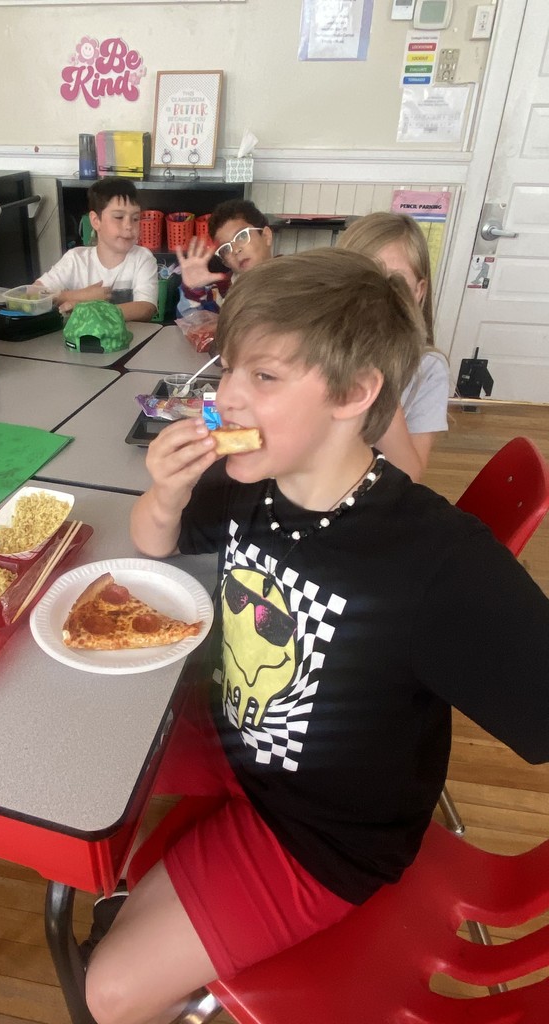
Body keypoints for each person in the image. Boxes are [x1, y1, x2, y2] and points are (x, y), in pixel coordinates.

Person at [84, 250, 549, 1024]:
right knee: (85, 759)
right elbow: (153, 545)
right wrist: (163, 493)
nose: (225, 399)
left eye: (263, 378)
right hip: (233, 733)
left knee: (111, 992)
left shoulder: (436, 564)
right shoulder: (251, 485)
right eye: (229, 369)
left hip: (323, 832)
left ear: (355, 392)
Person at [338, 211, 449, 481]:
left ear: (418, 291)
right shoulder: (317, 348)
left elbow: (410, 476)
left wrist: (378, 379)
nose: (377, 297)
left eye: (394, 282)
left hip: (373, 502)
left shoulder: (428, 369)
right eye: (363, 280)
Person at [35, 177, 158, 322]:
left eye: (135, 218)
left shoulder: (142, 258)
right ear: (95, 221)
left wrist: (91, 309)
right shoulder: (75, 259)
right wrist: (81, 296)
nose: (129, 226)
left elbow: (146, 308)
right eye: (118, 217)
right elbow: (33, 294)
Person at [175, 199, 274, 317]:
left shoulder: (293, 280)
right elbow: (191, 323)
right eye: (226, 248)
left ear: (266, 236)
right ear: (225, 262)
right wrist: (193, 290)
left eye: (242, 236)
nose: (236, 250)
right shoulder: (220, 293)